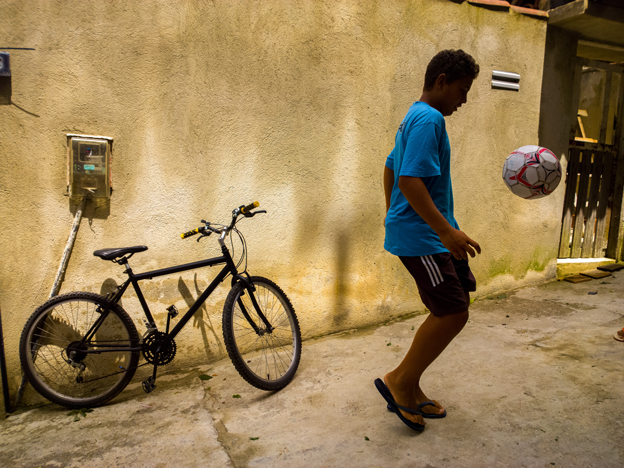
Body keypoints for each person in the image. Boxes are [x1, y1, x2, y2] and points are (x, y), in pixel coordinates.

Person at [374, 49, 481, 432]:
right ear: (441, 81)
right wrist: (444, 231)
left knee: (452, 304)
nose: (464, 99)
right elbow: (407, 179)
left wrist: (393, 214)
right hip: (424, 238)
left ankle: (410, 383)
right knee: (453, 311)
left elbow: (390, 165)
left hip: (421, 232)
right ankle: (400, 381)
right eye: (462, 89)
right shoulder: (430, 118)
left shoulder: (413, 116)